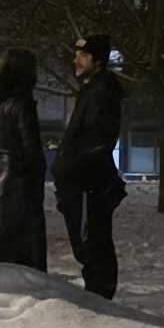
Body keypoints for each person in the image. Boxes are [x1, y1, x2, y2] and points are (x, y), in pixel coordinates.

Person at [56, 35, 129, 299]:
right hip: (82, 182)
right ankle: (99, 293)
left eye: (83, 55)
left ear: (98, 61)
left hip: (89, 184)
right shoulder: (91, 90)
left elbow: (98, 141)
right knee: (88, 244)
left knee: (93, 244)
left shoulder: (101, 93)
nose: (76, 60)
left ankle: (101, 298)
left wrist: (72, 168)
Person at [0, 48, 51, 269]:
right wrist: (37, 175)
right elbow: (30, 145)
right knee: (20, 241)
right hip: (18, 177)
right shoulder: (21, 103)